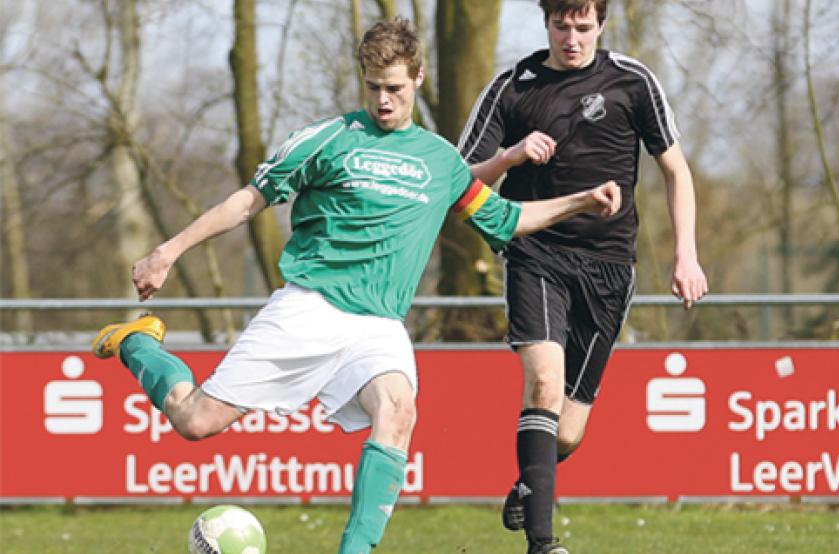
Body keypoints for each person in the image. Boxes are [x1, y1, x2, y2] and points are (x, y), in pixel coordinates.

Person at [90, 18, 620, 554]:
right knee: (194, 420)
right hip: (309, 307)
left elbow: (505, 219)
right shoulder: (329, 139)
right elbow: (247, 200)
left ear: (416, 77)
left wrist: (580, 201)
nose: (383, 100)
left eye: (394, 87)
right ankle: (138, 343)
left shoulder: (441, 161)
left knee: (398, 411)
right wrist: (168, 251)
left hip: (379, 327)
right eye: (373, 87)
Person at [459, 1, 708, 552]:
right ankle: (543, 544)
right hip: (536, 253)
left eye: (583, 27)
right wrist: (510, 157)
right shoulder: (514, 87)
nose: (571, 38)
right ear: (546, 22)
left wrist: (685, 255)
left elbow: (676, 169)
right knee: (544, 382)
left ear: (601, 24)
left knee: (567, 431)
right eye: (561, 26)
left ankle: (531, 483)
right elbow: (458, 178)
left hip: (610, 269)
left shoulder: (633, 82)